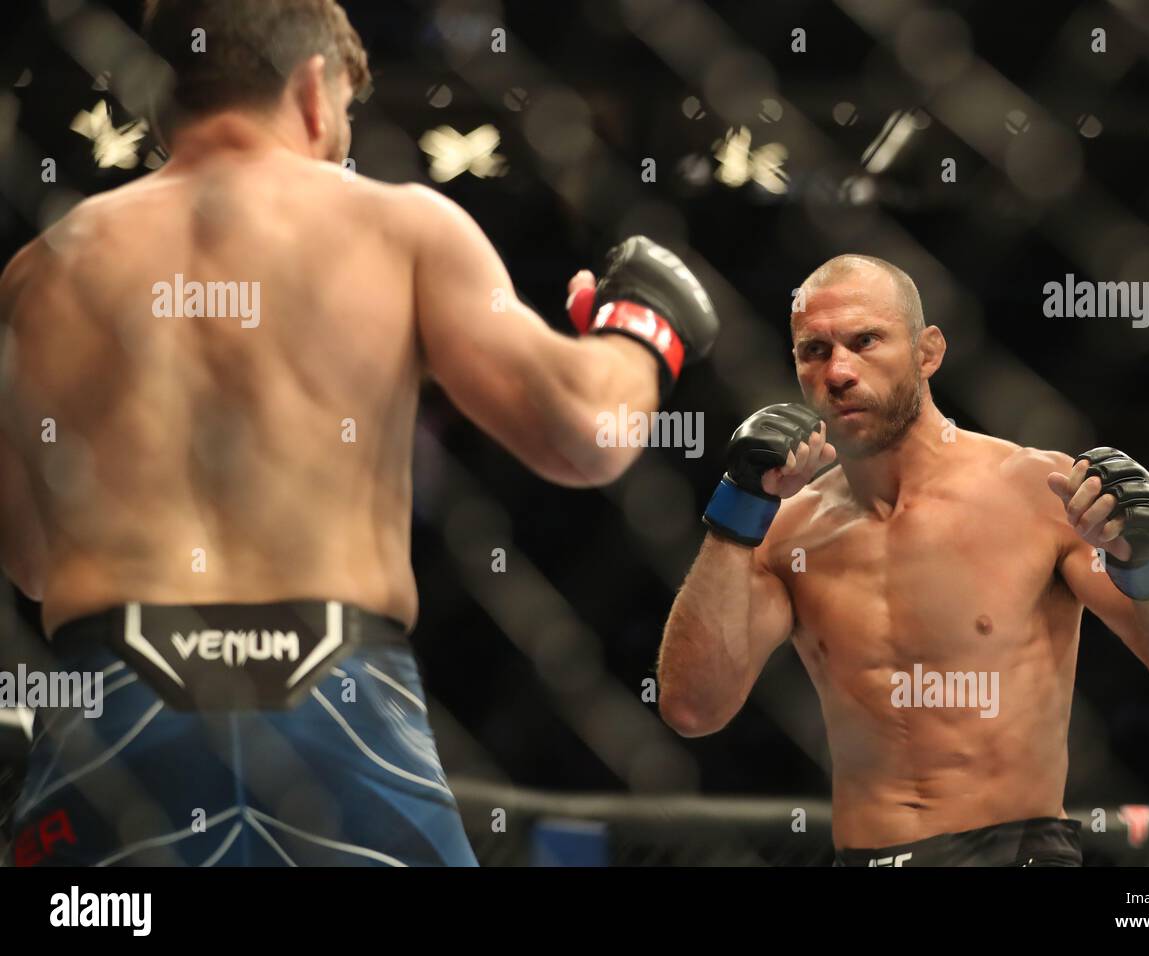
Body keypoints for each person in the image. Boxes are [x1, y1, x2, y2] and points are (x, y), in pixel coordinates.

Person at [0, 0, 717, 866]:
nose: (341, 140)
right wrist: (643, 325)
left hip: (116, 717)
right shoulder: (396, 224)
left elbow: (32, 561)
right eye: (345, 113)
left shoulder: (43, 272)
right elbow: (587, 432)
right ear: (313, 87)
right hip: (337, 707)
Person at [656, 254, 1149, 866]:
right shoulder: (785, 532)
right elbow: (692, 709)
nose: (840, 371)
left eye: (865, 340)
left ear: (928, 352)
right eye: (814, 351)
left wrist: (1148, 565)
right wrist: (737, 508)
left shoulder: (1043, 493)